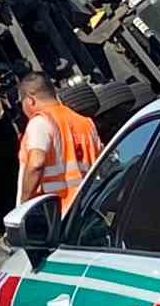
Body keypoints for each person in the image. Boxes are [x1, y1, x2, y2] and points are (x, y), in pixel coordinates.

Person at [15, 73, 102, 210]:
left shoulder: (40, 122)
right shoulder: (86, 123)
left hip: (59, 214)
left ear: (30, 100)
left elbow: (36, 163)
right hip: (89, 209)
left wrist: (24, 203)